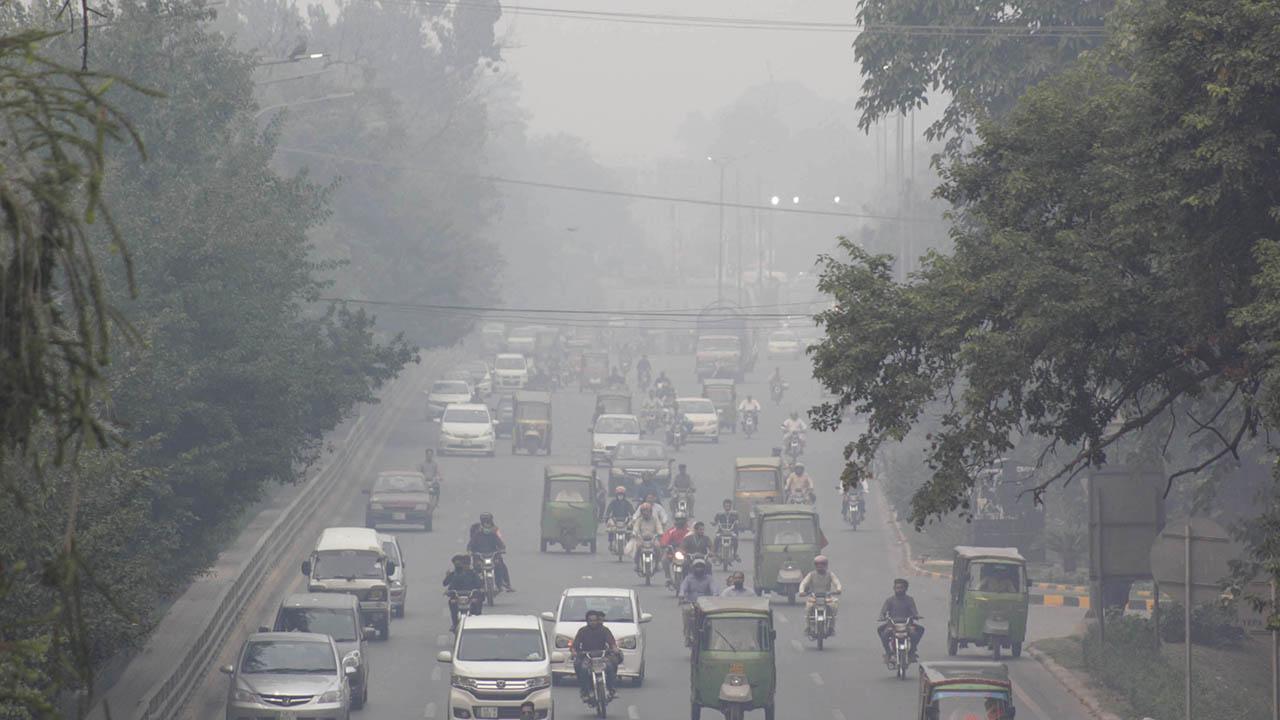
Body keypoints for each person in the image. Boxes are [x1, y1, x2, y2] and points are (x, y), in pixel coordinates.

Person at [571, 610, 620, 702]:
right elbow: (575, 645)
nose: (593, 622)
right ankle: (585, 691)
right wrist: (574, 651)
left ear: (598, 621)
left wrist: (614, 648)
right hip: (587, 657)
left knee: (610, 666)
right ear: (587, 621)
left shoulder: (604, 630)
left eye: (595, 620)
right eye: (590, 620)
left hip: (602, 656)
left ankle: (612, 689)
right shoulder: (582, 631)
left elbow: (611, 642)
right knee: (582, 668)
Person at [878, 578, 924, 662]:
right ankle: (888, 653)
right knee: (882, 632)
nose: (899, 590)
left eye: (901, 588)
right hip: (892, 625)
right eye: (897, 588)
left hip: (907, 625)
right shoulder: (889, 600)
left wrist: (916, 616)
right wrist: (882, 616)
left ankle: (912, 652)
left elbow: (914, 611)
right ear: (894, 588)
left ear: (905, 589)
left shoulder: (910, 600)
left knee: (919, 631)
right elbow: (883, 611)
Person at [467, 513, 514, 592]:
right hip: (480, 557)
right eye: (485, 522)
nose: (487, 524)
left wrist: (501, 549)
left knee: (500, 565)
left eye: (488, 522)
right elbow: (470, 545)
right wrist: (470, 551)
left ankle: (505, 583)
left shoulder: (494, 532)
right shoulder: (477, 534)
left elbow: (501, 543)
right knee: (475, 570)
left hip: (492, 555)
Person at [799, 555, 843, 632]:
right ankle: (808, 626)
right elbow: (803, 583)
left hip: (827, 597)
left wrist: (838, 589)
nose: (820, 566)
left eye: (822, 564)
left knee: (833, 607)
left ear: (826, 565)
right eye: (817, 564)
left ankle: (831, 627)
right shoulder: (811, 574)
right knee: (808, 608)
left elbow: (837, 582)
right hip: (814, 597)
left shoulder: (830, 574)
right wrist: (801, 591)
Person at [442, 554, 483, 631]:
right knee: (452, 603)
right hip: (458, 598)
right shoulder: (454, 574)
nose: (465, 566)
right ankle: (455, 623)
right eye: (463, 564)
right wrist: (449, 592)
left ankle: (477, 620)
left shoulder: (473, 573)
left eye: (466, 564)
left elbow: (479, 584)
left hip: (470, 597)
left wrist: (479, 590)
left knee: (478, 602)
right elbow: (446, 584)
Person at [630, 503, 665, 573]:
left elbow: (659, 527)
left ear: (650, 511)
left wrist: (660, 533)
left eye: (647, 511)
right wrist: (634, 533)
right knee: (638, 547)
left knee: (657, 547)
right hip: (641, 538)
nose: (645, 513)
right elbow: (635, 528)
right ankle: (636, 563)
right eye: (643, 511)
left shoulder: (655, 519)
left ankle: (658, 563)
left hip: (653, 538)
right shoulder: (639, 520)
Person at [660, 513, 692, 583]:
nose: (680, 522)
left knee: (691, 562)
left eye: (682, 520)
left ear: (685, 520)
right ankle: (668, 577)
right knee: (664, 560)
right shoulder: (671, 531)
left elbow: (693, 539)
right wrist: (664, 544)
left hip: (686, 553)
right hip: (673, 551)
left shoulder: (690, 531)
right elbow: (664, 539)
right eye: (678, 520)